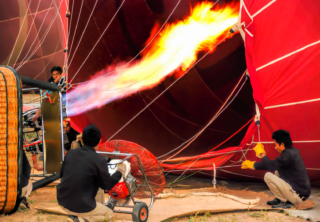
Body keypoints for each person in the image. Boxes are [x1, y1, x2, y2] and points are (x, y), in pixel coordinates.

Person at [57, 124, 124, 222]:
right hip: (81, 206)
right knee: (109, 214)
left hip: (63, 201)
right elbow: (107, 185)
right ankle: (81, 219)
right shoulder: (99, 160)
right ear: (99, 141)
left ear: (82, 139)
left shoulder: (70, 153)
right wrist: (120, 172)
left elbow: (62, 175)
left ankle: (76, 216)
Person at [241, 130, 311, 209]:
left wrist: (262, 154)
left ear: (282, 144)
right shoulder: (291, 152)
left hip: (298, 198)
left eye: (275, 145)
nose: (275, 147)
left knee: (268, 176)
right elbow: (273, 165)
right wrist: (252, 164)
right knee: (277, 171)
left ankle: (284, 200)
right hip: (299, 193)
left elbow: (270, 165)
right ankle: (281, 199)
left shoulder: (289, 155)